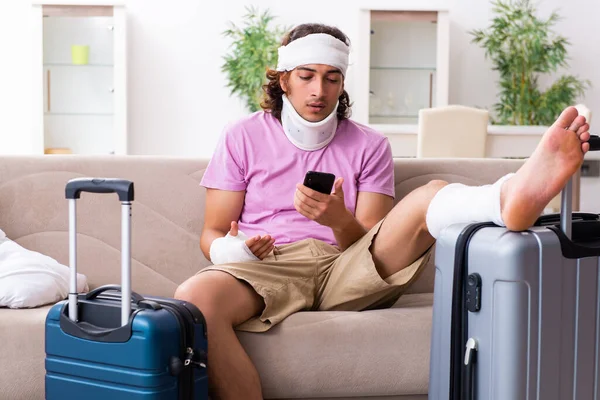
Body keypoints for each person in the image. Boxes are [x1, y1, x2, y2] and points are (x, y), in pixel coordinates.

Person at [174, 23, 591, 400]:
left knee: (429, 196)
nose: (319, 89)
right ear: (284, 80)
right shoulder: (242, 136)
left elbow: (374, 242)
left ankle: (507, 200)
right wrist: (237, 251)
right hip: (268, 265)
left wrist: (337, 219)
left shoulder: (369, 145)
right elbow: (211, 233)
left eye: (332, 78)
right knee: (194, 297)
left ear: (342, 84)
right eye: (306, 76)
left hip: (345, 267)